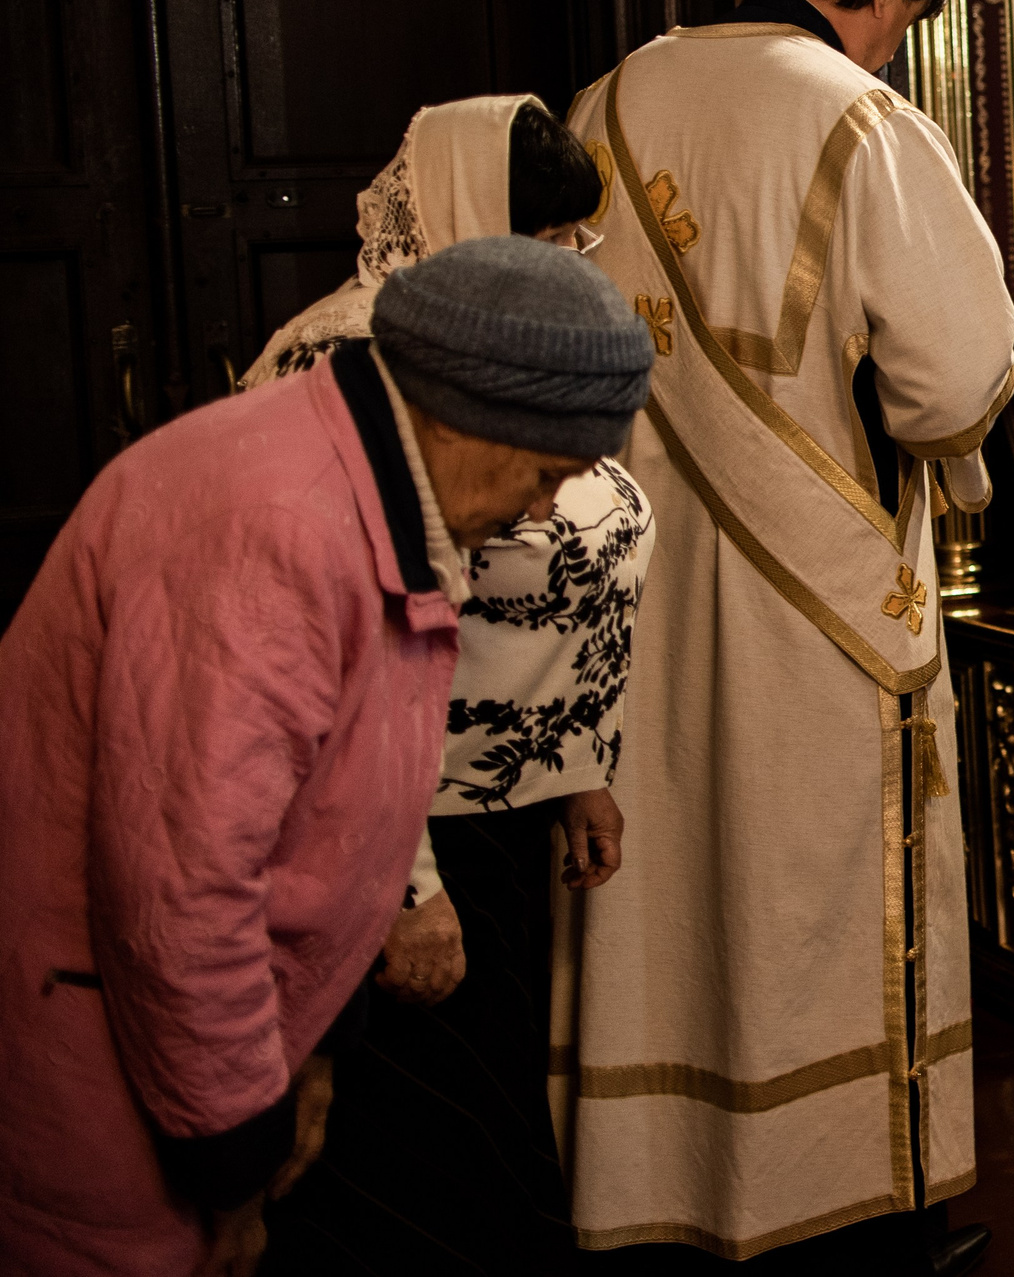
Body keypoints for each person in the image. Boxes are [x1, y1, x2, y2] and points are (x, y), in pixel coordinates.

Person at [0, 236, 654, 1277]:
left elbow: (331, 804)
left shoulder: (368, 476)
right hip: (107, 1074)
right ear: (462, 415)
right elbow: (187, 897)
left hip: (202, 1055)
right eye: (545, 473)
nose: (541, 510)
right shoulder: (273, 530)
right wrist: (232, 1173)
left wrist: (314, 1041)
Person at [557, 0, 1014, 1268]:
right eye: (900, 25)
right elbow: (955, 377)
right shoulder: (862, 117)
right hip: (813, 609)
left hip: (623, 586)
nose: (889, 49)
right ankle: (841, 1212)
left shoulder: (605, 101)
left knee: (670, 886)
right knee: (814, 888)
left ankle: (665, 1192)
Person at [240, 96, 656, 1275]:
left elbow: (569, 583)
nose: (571, 262)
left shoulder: (511, 351)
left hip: (502, 815)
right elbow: (351, 655)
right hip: (393, 826)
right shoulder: (342, 358)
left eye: (578, 238)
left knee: (492, 1133)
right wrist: (406, 884)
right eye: (547, 237)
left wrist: (578, 771)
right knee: (414, 1160)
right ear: (469, 219)